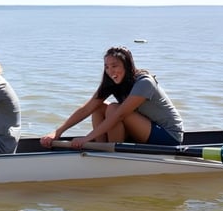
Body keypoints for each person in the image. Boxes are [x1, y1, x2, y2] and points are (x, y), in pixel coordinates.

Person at [40, 46, 184, 149]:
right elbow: (86, 109)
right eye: (107, 67)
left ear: (127, 66)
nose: (110, 71)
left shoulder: (144, 82)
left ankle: (112, 151)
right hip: (144, 130)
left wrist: (86, 138)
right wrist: (57, 132)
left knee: (114, 108)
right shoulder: (112, 82)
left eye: (114, 66)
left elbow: (120, 115)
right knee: (99, 107)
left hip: (168, 136)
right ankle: (100, 147)